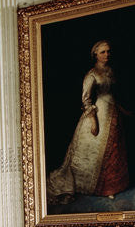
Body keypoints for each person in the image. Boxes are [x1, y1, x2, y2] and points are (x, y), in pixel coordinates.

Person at [47, 40, 129, 203]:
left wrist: (122, 109)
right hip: (98, 113)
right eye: (103, 52)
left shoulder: (111, 71)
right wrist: (93, 121)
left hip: (112, 113)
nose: (107, 55)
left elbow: (113, 93)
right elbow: (86, 100)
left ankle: (111, 187)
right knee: (95, 153)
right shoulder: (92, 74)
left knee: (113, 150)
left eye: (108, 51)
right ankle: (95, 187)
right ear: (95, 55)